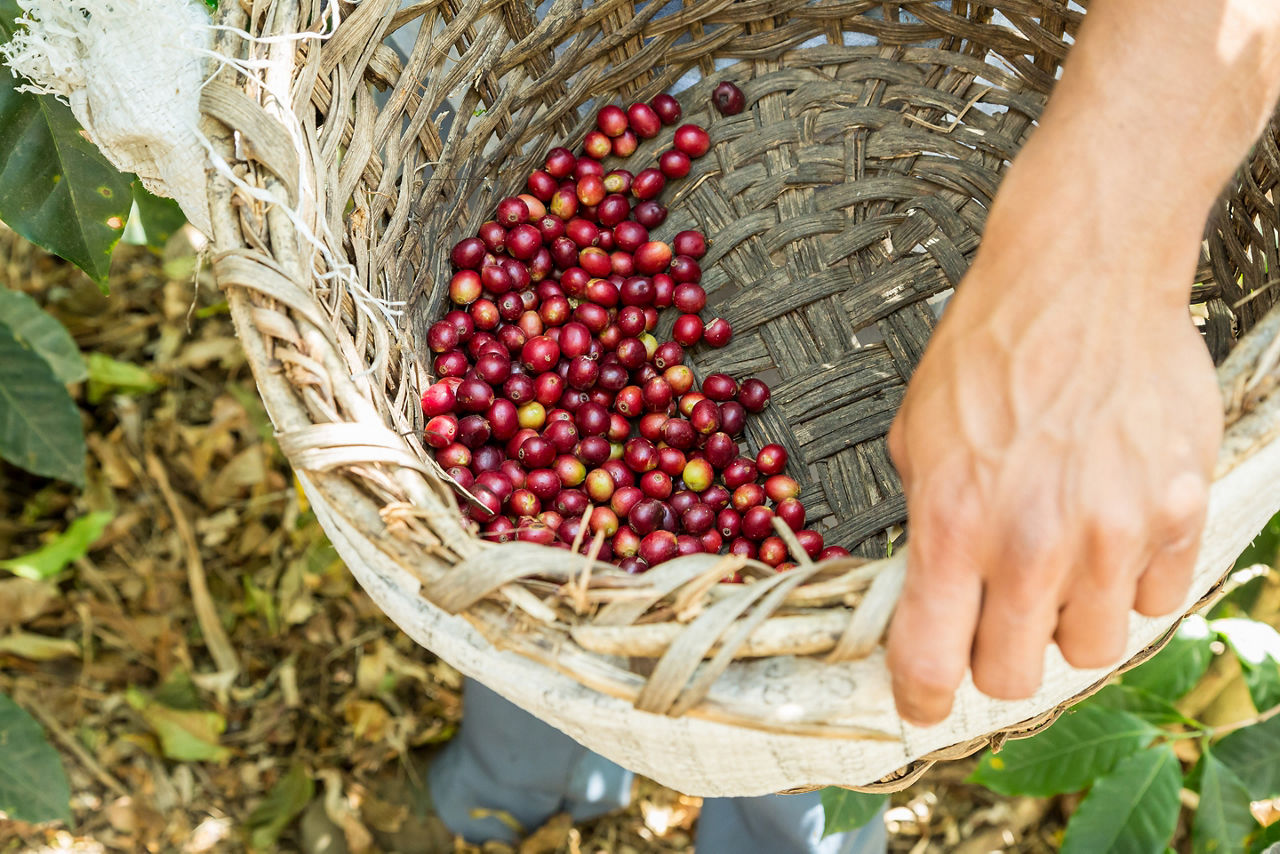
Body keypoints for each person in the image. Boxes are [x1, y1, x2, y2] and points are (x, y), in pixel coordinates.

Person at [428, 0, 1280, 850]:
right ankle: (505, 795)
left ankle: (572, 800)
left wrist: (1099, 255)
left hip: (919, 43)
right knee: (531, 612)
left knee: (801, 724)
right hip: (577, 44)